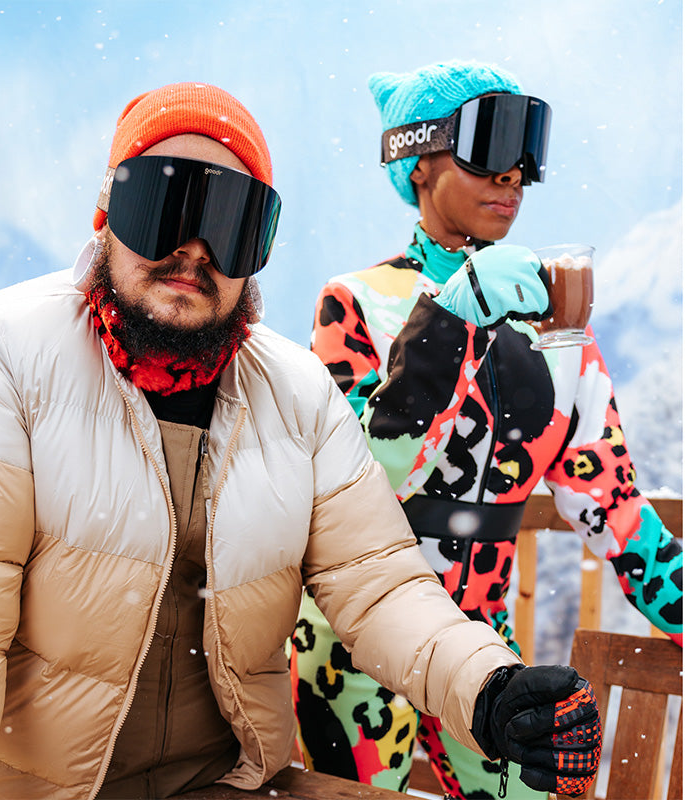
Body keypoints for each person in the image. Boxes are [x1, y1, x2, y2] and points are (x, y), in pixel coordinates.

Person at [0, 81, 601, 800]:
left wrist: (487, 688)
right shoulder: (5, 356)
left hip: (229, 784)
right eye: (162, 206)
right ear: (107, 215)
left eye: (230, 222)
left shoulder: (294, 392)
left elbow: (377, 581)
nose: (194, 249)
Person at [291, 60, 683, 799]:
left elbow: (615, 508)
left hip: (479, 644)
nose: (513, 175)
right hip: (355, 634)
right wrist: (449, 320)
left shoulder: (558, 327)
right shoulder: (355, 302)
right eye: (488, 143)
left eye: (527, 152)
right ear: (417, 161)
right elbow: (358, 477)